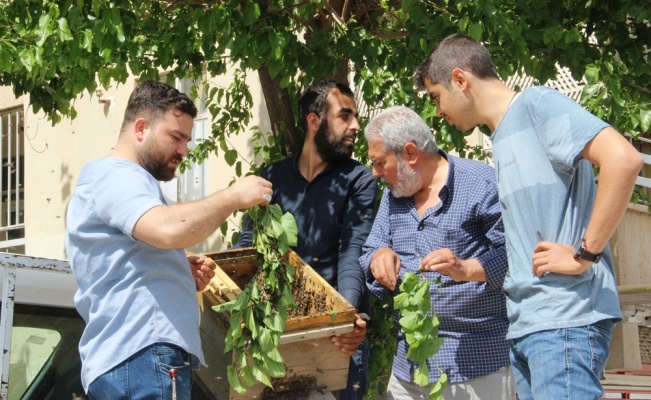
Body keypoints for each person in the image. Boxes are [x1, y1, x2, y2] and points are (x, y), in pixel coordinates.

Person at [413, 33, 644, 400]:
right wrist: (466, 268)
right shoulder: (502, 136)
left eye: (436, 97)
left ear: (460, 79)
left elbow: (623, 159)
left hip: (563, 321)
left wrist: (584, 253)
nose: (437, 112)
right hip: (528, 327)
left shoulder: (537, 104)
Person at [65, 80, 274, 400]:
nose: (183, 150)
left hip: (131, 360)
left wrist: (177, 266)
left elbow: (138, 252)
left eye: (187, 140)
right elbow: (166, 230)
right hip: (143, 355)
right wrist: (232, 197)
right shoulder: (116, 175)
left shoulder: (123, 181)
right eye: (176, 137)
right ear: (140, 128)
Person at [359, 105, 514, 400]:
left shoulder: (481, 184)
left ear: (410, 154)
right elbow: (369, 249)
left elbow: (516, 256)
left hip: (476, 366)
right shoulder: (394, 195)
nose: (375, 172)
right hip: (408, 366)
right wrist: (378, 256)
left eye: (380, 162)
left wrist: (466, 267)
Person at [235, 80, 377, 399]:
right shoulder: (272, 178)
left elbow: (353, 250)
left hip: (338, 335)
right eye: (345, 116)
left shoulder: (358, 180)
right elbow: (249, 246)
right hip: (276, 335)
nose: (355, 126)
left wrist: (347, 318)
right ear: (314, 121)